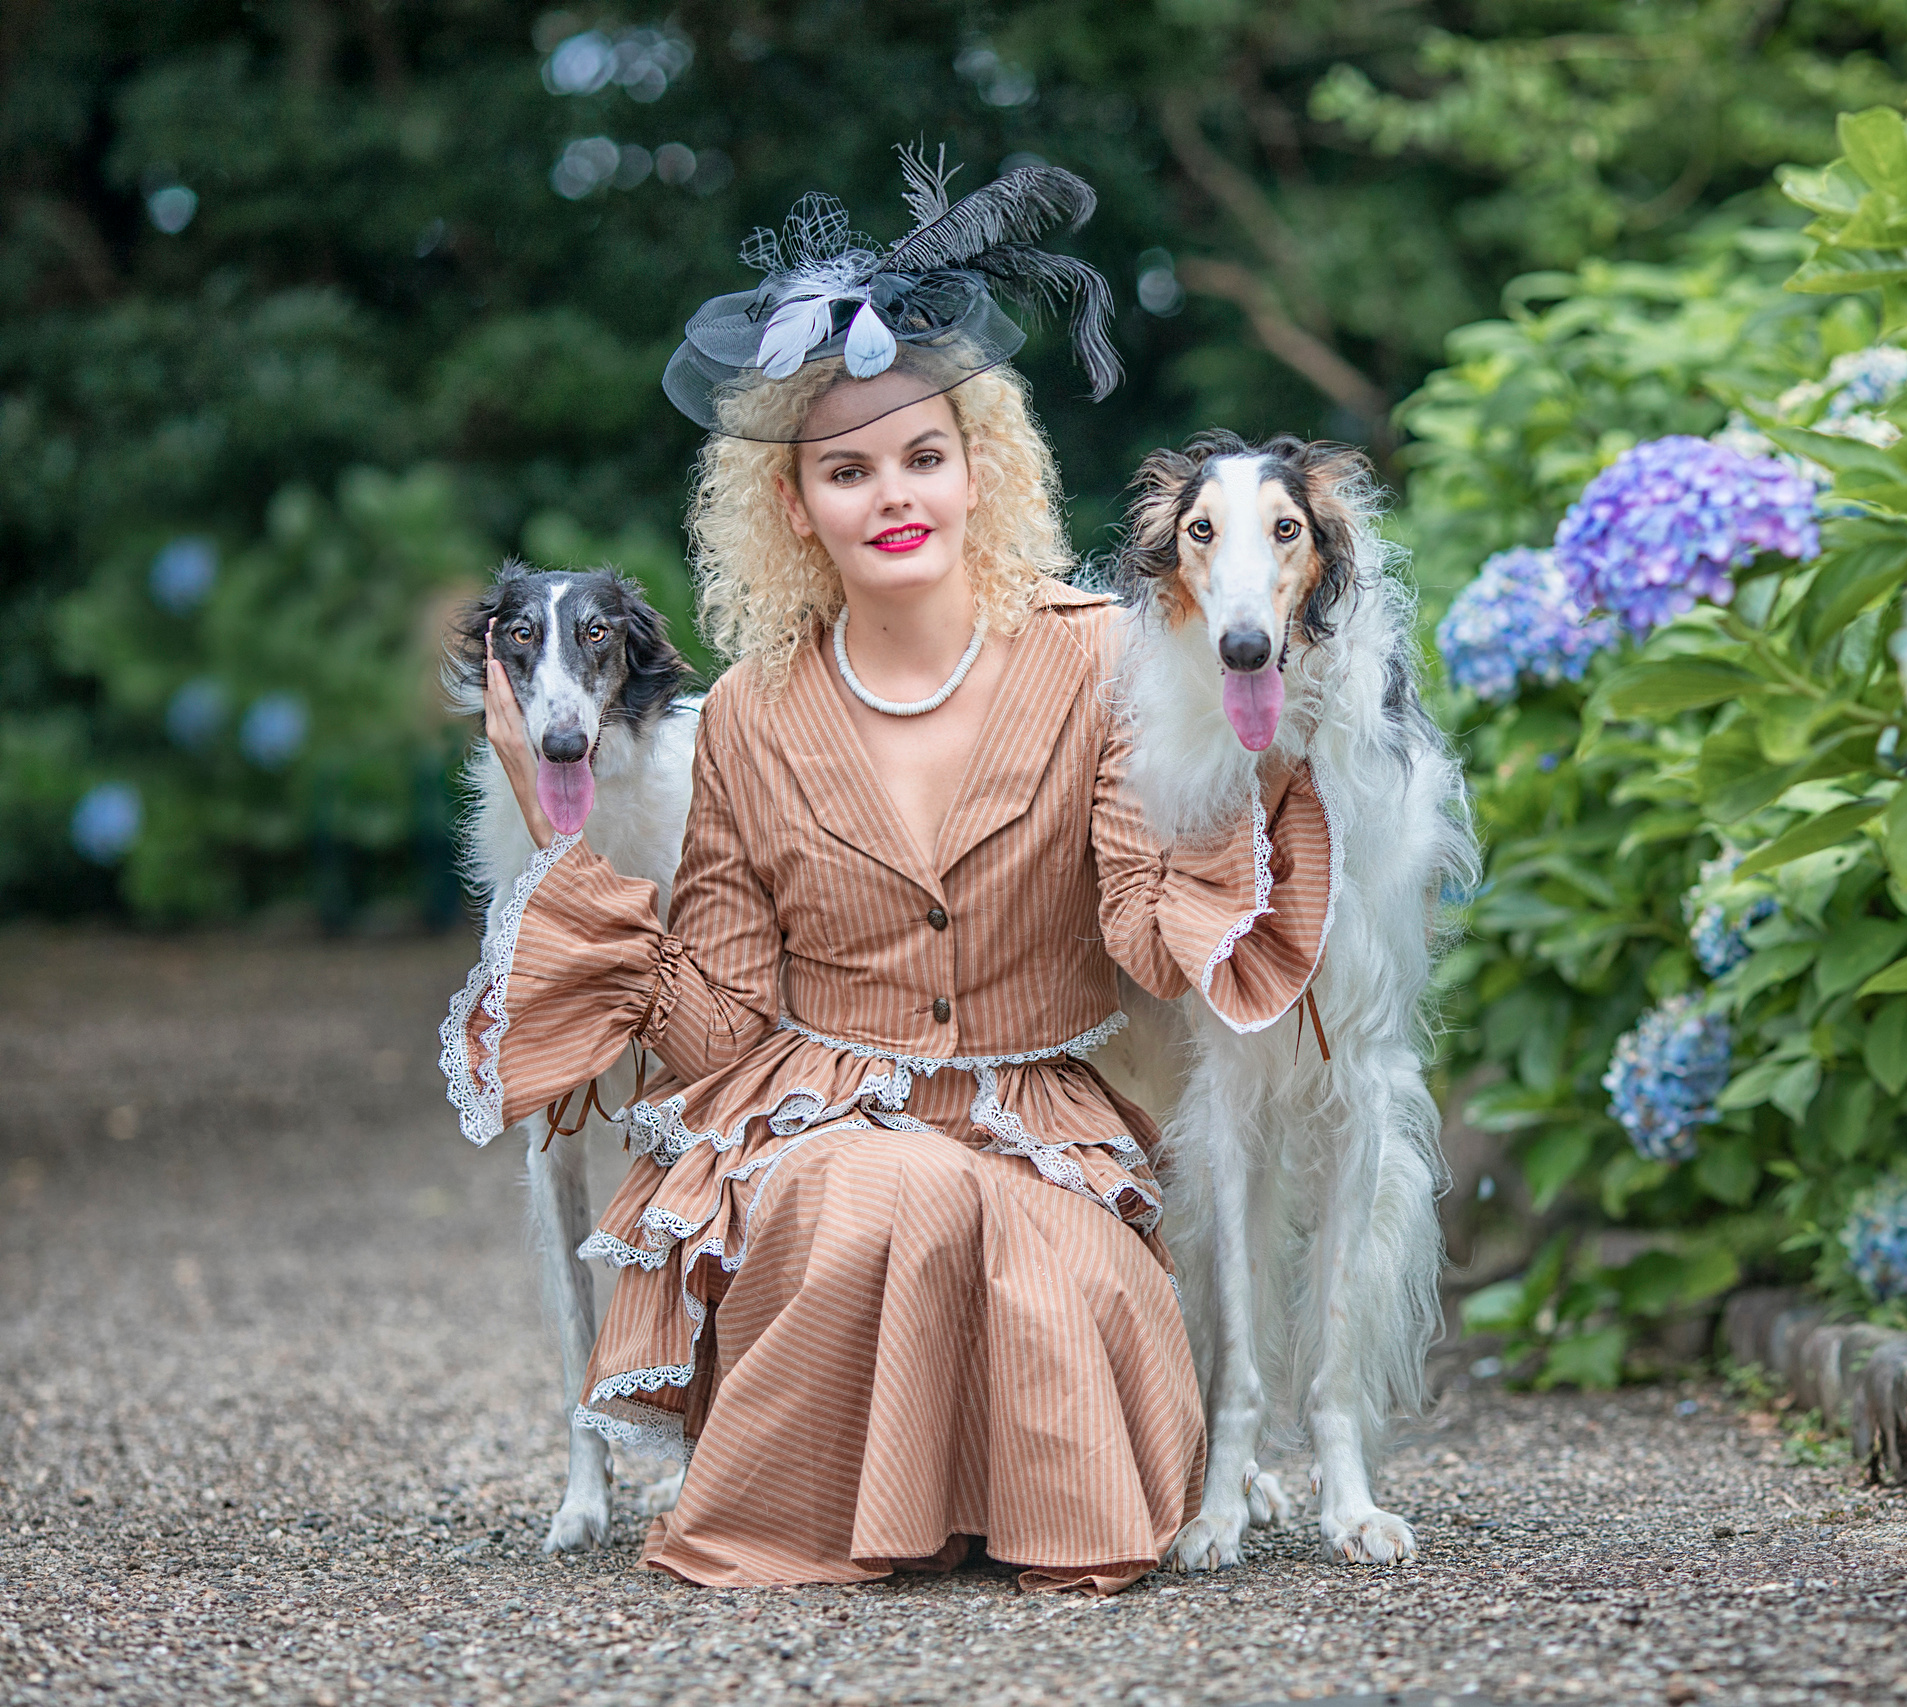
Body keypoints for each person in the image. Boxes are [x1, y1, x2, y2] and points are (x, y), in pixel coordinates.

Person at [437, 161, 1331, 1593]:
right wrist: (567, 859)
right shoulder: (747, 713)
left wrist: (1247, 784)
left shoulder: (1099, 657)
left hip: (1041, 1128)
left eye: (922, 456)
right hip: (820, 1136)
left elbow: (1141, 929)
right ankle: (881, 1491)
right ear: (794, 508)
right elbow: (719, 1026)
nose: (893, 494)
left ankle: (974, 1488)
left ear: (982, 468)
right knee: (891, 1189)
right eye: (846, 471)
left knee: (1036, 1251)